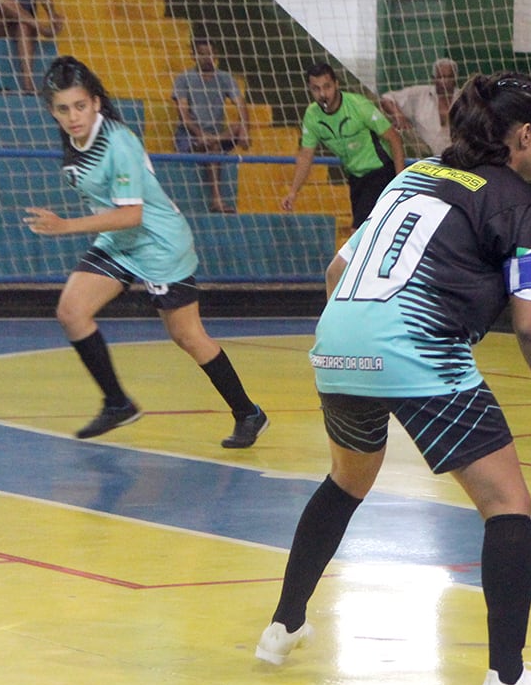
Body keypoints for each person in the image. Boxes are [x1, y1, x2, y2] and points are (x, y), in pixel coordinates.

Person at [254, 72, 531, 685]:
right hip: (417, 350)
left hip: (337, 340)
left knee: (346, 481)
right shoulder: (515, 200)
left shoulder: (411, 179)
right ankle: (507, 676)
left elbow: (337, 269)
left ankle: (284, 624)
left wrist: (353, 347)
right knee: (507, 501)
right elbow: (530, 323)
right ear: (522, 136)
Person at [21, 56, 268, 447]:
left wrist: (65, 226)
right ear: (52, 110)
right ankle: (117, 403)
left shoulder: (118, 142)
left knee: (188, 336)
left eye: (81, 106)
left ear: (96, 103)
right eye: (63, 109)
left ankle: (248, 413)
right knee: (71, 312)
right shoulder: (72, 138)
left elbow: (132, 214)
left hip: (158, 244)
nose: (73, 116)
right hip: (118, 242)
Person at [282, 62, 406, 229]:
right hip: (355, 178)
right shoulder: (312, 116)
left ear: (336, 84)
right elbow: (306, 156)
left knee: (358, 233)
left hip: (381, 172)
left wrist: (399, 180)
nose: (323, 94)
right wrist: (293, 192)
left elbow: (395, 139)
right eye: (316, 89)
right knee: (371, 234)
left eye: (327, 87)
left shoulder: (358, 106)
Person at [172, 37, 251, 213]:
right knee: (212, 147)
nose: (206, 58)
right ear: (193, 55)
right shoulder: (184, 79)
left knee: (237, 127)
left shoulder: (225, 78)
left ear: (216, 55)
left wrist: (245, 130)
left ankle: (214, 140)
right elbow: (183, 115)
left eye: (210, 54)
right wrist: (199, 133)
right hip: (190, 135)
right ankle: (216, 201)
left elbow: (241, 104)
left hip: (217, 134)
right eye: (202, 54)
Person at [378, 57, 459, 158]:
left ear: (455, 78)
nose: (444, 81)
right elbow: (386, 98)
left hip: (456, 161)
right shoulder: (419, 95)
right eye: (440, 77)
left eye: (448, 77)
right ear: (433, 78)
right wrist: (398, 115)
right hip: (424, 160)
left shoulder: (464, 99)